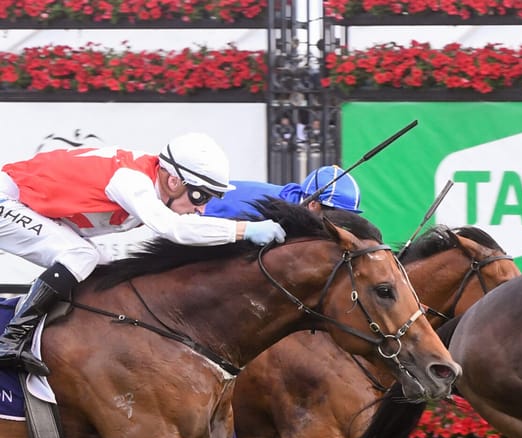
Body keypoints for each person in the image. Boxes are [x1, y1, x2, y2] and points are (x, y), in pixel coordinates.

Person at [0, 131, 286, 376]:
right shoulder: (131, 180)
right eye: (200, 196)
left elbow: (188, 227)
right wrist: (245, 230)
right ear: (173, 181)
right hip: (7, 200)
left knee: (104, 267)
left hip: (27, 205)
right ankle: (10, 341)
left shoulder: (152, 178)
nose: (201, 208)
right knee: (80, 256)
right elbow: (173, 230)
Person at [202, 164, 362, 220]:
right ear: (313, 205)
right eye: (339, 216)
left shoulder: (297, 206)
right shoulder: (269, 215)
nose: (343, 224)